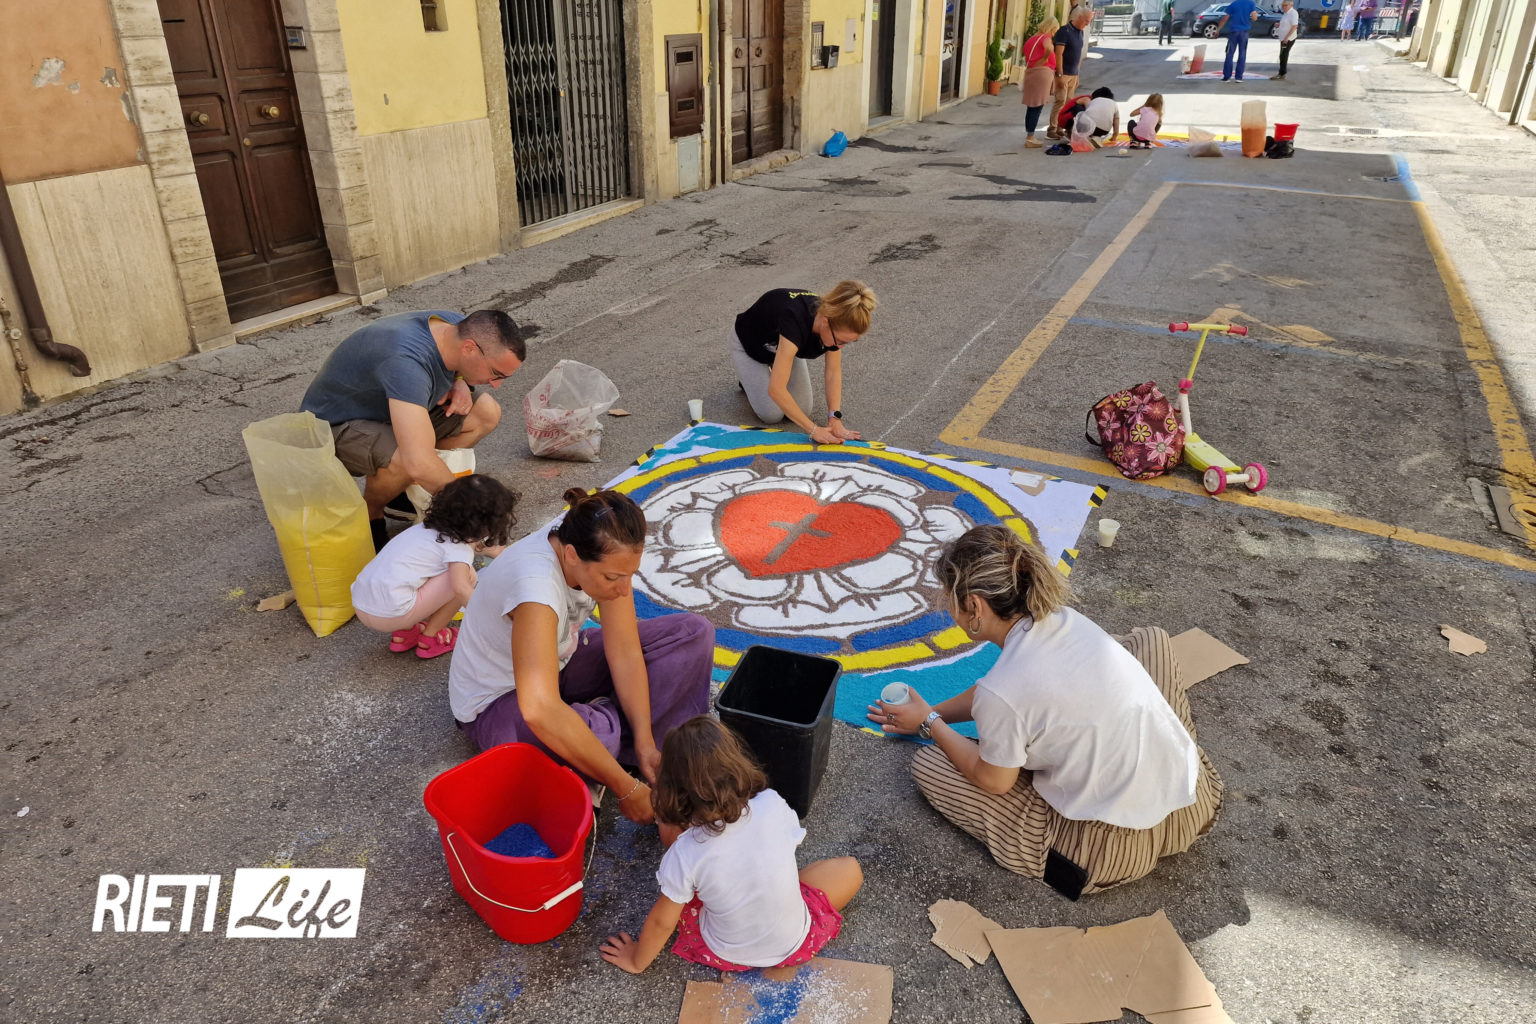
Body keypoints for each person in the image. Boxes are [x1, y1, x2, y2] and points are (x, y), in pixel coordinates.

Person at [866, 525, 1224, 894]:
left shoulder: (1003, 692)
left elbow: (994, 780)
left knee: (930, 764)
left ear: (975, 606)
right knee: (1149, 641)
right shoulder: (1063, 619)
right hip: (1193, 798)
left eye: (950, 601)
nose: (949, 612)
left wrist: (930, 724)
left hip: (1107, 850)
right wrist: (933, 711)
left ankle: (1066, 861)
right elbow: (1000, 693)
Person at [448, 488, 714, 823]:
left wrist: (646, 742)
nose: (624, 589)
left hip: (560, 662)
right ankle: (598, 739)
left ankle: (620, 747)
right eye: (613, 578)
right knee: (599, 737)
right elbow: (539, 710)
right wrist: (626, 789)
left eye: (630, 575)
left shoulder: (590, 536)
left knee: (693, 634)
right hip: (500, 704)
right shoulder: (535, 590)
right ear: (572, 556)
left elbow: (625, 651)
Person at [599, 716, 863, 974]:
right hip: (795, 942)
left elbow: (661, 923)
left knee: (682, 894)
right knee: (851, 868)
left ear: (673, 793)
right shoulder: (771, 802)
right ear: (737, 763)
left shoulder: (686, 851)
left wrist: (636, 960)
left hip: (727, 952)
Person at [301, 309, 525, 552]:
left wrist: (460, 380)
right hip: (334, 425)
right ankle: (370, 514)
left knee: (485, 413)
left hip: (388, 408)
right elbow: (418, 461)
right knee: (407, 460)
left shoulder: (456, 327)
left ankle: (398, 492)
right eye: (495, 373)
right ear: (470, 349)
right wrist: (475, 524)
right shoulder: (407, 363)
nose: (496, 384)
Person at [350, 474, 517, 658]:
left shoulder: (422, 530)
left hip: (361, 603)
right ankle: (430, 637)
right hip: (390, 615)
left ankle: (405, 633)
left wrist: (486, 550)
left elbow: (457, 546)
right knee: (468, 575)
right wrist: (494, 620)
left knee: (417, 573)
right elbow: (461, 589)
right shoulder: (458, 550)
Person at [728, 282, 877, 444]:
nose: (839, 347)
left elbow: (833, 372)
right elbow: (776, 390)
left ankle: (772, 372)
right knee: (771, 414)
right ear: (825, 322)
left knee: (802, 409)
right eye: (840, 341)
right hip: (750, 347)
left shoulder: (836, 319)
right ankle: (748, 381)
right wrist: (813, 430)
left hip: (785, 348)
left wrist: (834, 418)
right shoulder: (794, 321)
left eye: (847, 343)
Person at [1047, 7, 1094, 140]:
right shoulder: (1064, 31)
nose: (1088, 24)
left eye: (1089, 21)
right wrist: (1059, 74)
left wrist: (1077, 74)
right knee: (1060, 101)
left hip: (1073, 74)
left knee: (1068, 103)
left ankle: (1060, 128)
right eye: (1086, 20)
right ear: (1079, 17)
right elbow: (1058, 54)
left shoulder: (1080, 32)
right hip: (1063, 73)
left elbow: (1078, 54)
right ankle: (1052, 129)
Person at [1020, 16, 1060, 149]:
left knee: (1031, 105)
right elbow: (1048, 48)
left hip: (1031, 72)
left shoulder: (1032, 39)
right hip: (1042, 73)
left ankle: (1029, 134)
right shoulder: (1046, 38)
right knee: (1037, 106)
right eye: (1054, 30)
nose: (1054, 34)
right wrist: (1045, 58)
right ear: (1051, 28)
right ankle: (1030, 138)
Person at [1217, 0, 1261, 81]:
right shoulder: (1251, 3)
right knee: (1242, 54)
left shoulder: (1234, 4)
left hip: (1233, 32)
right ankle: (1239, 77)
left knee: (1229, 54)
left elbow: (1225, 18)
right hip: (1244, 32)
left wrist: (1218, 30)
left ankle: (1227, 76)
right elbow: (1254, 18)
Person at [1274, 0, 1300, 80]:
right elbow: (1287, 23)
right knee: (1282, 55)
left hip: (1288, 39)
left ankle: (1282, 73)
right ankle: (1281, 73)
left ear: (1290, 5)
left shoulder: (1293, 13)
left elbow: (1294, 26)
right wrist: (1279, 24)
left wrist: (1287, 38)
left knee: (1283, 55)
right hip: (1283, 38)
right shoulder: (1286, 13)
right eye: (1283, 5)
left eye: (1285, 5)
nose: (1283, 7)